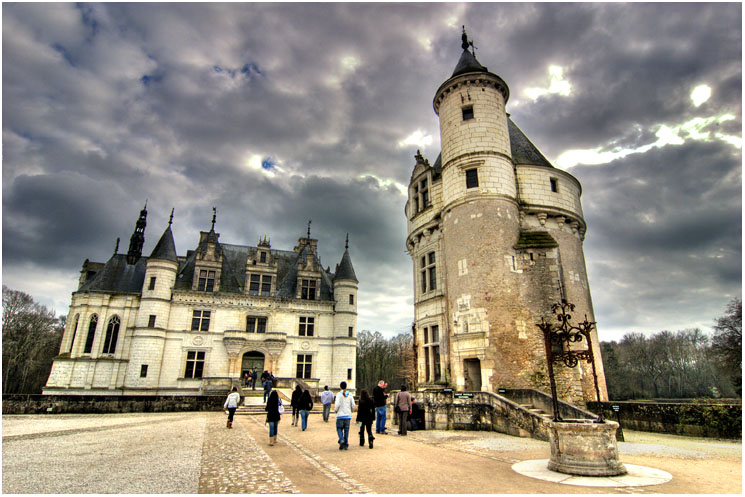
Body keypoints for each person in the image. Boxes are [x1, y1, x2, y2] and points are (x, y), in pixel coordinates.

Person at [334, 381, 355, 450]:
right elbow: (353, 405)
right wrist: (351, 410)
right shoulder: (350, 394)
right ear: (346, 387)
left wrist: (335, 410)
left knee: (339, 428)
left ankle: (341, 439)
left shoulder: (338, 395)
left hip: (340, 415)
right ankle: (345, 444)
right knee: (346, 430)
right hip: (347, 415)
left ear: (340, 387)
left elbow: (337, 404)